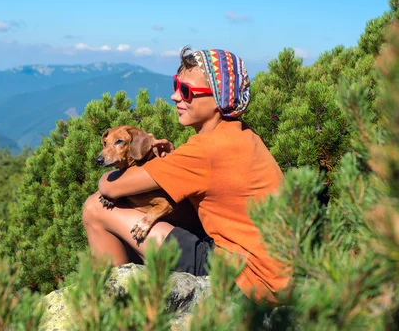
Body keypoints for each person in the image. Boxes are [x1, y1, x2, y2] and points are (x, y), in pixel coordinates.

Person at [82, 47, 290, 304]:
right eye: (176, 85)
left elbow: (110, 188)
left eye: (186, 91)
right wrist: (172, 164)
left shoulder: (204, 149)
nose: (174, 96)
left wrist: (110, 177)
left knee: (95, 207)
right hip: (274, 272)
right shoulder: (242, 134)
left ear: (218, 100)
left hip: (245, 278)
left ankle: (115, 307)